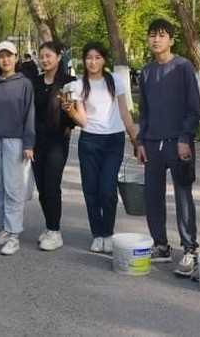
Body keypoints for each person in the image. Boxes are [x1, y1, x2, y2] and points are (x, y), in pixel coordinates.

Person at [134, 19, 200, 276]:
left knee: (183, 196)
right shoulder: (146, 71)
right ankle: (160, 244)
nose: (156, 40)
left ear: (171, 40)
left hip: (178, 143)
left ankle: (190, 249)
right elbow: (144, 111)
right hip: (152, 143)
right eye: (152, 35)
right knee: (153, 196)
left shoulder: (183, 67)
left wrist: (185, 138)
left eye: (161, 35)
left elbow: (194, 108)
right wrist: (141, 141)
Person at [63, 42, 139, 253]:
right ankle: (97, 234)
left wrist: (135, 140)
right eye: (89, 58)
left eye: (97, 57)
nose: (93, 62)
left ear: (104, 59)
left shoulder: (115, 80)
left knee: (107, 189)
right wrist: (70, 111)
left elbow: (124, 113)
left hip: (113, 141)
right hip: (89, 141)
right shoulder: (79, 85)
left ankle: (108, 232)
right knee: (91, 190)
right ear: (84, 60)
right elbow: (82, 120)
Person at [0, 41, 35, 256]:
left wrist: (28, 143)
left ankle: (14, 234)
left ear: (16, 58)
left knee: (13, 188)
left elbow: (30, 114)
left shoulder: (24, 84)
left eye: (9, 56)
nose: (5, 60)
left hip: (15, 141)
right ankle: (5, 227)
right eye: (1, 56)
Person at [31, 41, 76, 251]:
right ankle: (49, 226)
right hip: (37, 140)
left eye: (49, 56)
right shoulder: (35, 82)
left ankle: (55, 231)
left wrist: (69, 117)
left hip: (58, 140)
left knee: (52, 185)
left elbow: (75, 113)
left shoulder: (69, 82)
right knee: (41, 187)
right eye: (42, 56)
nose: (45, 60)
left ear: (58, 57)